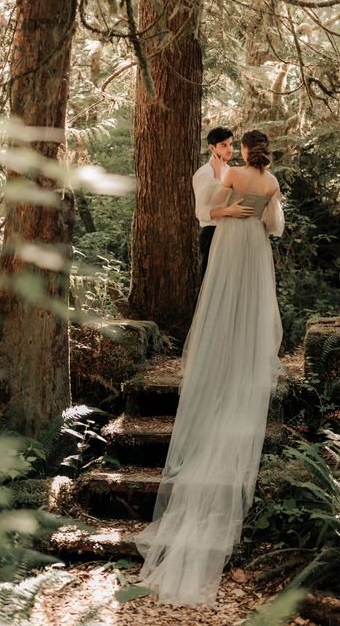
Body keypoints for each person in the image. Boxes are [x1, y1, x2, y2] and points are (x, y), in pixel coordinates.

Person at [137, 129, 284, 606]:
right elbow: (275, 227)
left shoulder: (234, 174)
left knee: (222, 303)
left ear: (243, 151)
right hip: (256, 249)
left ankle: (223, 354)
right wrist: (255, 212)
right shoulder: (272, 181)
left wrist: (231, 210)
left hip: (230, 244)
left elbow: (212, 213)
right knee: (250, 305)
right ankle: (247, 356)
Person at [192, 126, 254, 280]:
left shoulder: (230, 171)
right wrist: (229, 212)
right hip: (212, 233)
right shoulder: (204, 173)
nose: (230, 149)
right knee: (210, 285)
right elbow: (201, 213)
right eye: (224, 145)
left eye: (231, 144)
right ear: (212, 148)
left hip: (231, 233)